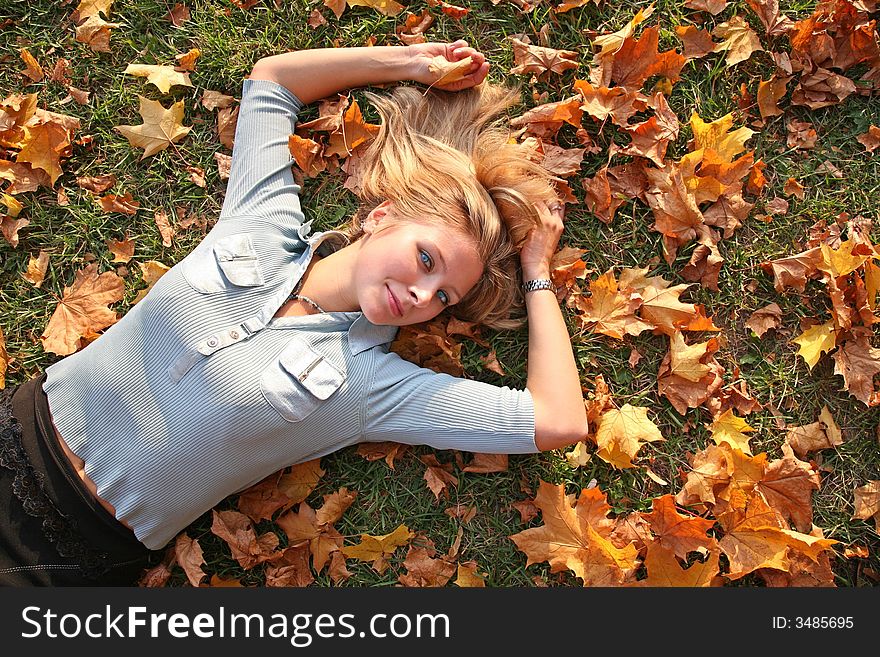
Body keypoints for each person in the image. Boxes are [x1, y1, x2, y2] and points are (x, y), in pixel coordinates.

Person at [0, 40, 587, 586]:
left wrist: (537, 271)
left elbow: (557, 420)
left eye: (443, 297)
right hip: (17, 427)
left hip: (67, 549)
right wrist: (409, 64)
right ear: (382, 217)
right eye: (425, 259)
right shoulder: (263, 223)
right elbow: (273, 82)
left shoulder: (370, 384)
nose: (421, 296)